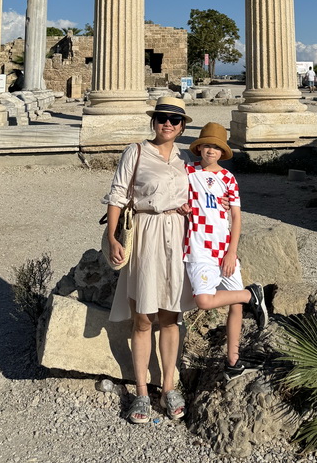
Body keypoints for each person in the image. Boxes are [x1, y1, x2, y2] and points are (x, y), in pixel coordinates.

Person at [103, 96, 195, 425]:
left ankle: (168, 386)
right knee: (143, 317)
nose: (167, 123)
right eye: (161, 118)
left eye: (174, 119)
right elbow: (117, 194)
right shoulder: (136, 151)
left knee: (171, 316)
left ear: (183, 126)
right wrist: (114, 237)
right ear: (153, 121)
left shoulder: (187, 160)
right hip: (146, 233)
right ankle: (141, 391)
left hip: (178, 237)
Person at [183, 123, 268, 381]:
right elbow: (173, 194)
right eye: (207, 145)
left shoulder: (229, 179)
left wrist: (232, 252)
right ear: (199, 147)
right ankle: (251, 294)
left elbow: (236, 216)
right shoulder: (186, 171)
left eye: (217, 147)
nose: (211, 150)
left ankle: (233, 361)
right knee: (204, 301)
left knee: (236, 306)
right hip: (198, 249)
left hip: (224, 249)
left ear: (223, 152)